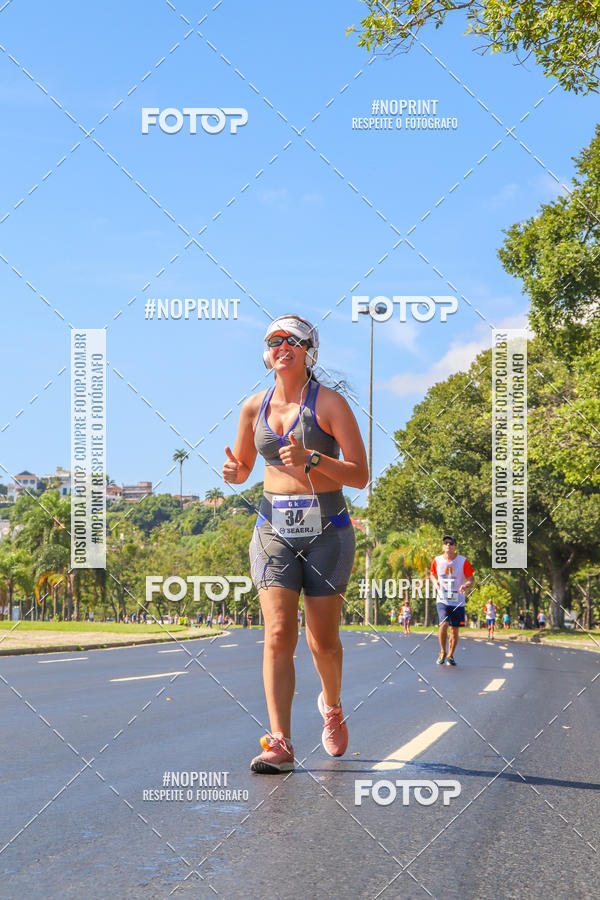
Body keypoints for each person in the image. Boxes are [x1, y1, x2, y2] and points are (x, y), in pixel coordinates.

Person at [223, 314, 368, 774]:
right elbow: (243, 467)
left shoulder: (330, 405)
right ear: (266, 353)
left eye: (291, 340)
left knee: (323, 641)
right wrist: (234, 474)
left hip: (328, 529)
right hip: (273, 530)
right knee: (279, 632)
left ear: (309, 350)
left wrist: (315, 459)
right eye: (273, 341)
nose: (281, 346)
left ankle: (332, 705)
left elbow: (360, 476)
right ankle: (280, 741)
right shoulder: (253, 408)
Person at [430, 535, 474, 666]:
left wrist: (465, 585)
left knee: (454, 630)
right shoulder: (437, 560)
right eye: (445, 543)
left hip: (458, 600)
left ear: (455, 547)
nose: (448, 545)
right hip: (443, 599)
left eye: (451, 543)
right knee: (443, 624)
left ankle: (450, 655)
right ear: (443, 547)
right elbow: (432, 574)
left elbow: (471, 579)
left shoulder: (462, 561)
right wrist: (435, 581)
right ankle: (443, 651)